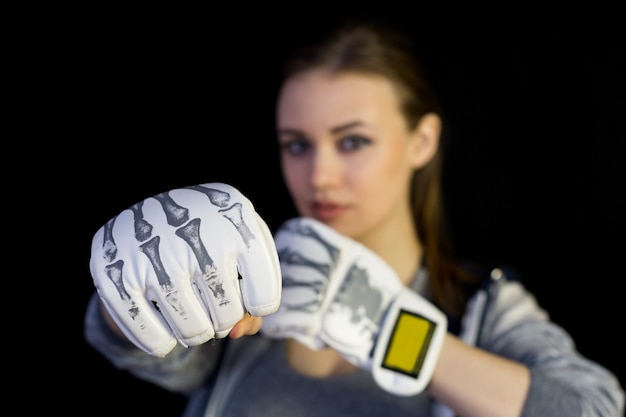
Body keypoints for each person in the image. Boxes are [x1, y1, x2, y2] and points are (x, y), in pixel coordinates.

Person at [84, 19, 625, 417]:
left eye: (353, 142)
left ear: (422, 141)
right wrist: (131, 287)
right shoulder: (244, 288)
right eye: (296, 145)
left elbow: (593, 409)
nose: (319, 175)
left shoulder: (481, 308)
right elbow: (144, 351)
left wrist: (390, 331)